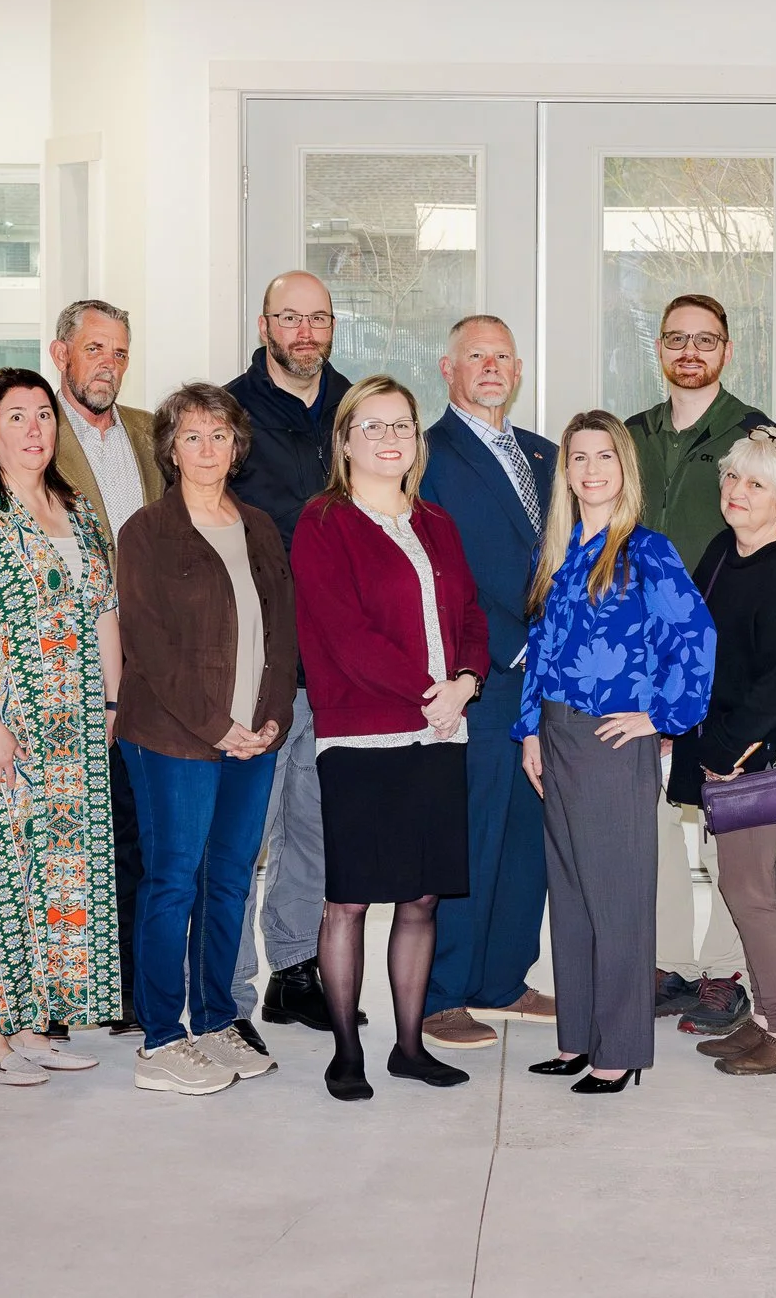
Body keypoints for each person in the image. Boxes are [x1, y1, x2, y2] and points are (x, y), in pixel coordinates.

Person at [0, 368, 123, 1086]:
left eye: (43, 415)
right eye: (17, 417)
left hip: (73, 730)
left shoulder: (79, 513)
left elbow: (104, 615)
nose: (35, 428)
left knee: (57, 877)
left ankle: (35, 1024)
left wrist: (112, 707)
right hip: (0, 721)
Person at [289, 375, 491, 1101]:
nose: (387, 438)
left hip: (441, 733)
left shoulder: (436, 522)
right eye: (369, 426)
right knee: (350, 899)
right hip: (363, 736)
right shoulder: (324, 522)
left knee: (423, 898)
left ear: (417, 438)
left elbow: (470, 614)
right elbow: (344, 636)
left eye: (400, 425)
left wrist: (465, 681)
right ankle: (347, 1052)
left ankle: (409, 1046)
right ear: (344, 442)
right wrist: (426, 694)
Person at [520, 413, 717, 1093]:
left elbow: (697, 636)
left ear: (624, 469)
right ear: (567, 471)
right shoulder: (561, 549)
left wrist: (661, 714)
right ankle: (579, 1037)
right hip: (556, 733)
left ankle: (622, 1048)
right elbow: (539, 649)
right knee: (570, 897)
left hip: (610, 742)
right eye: (580, 457)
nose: (592, 468)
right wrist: (527, 734)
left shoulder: (646, 549)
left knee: (617, 898)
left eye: (606, 456)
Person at [114, 383, 298, 1096]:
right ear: (169, 448)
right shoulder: (145, 532)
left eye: (219, 435)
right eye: (191, 436)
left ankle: (218, 1019)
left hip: (256, 738)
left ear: (237, 445)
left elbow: (282, 634)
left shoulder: (256, 525)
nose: (207, 449)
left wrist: (271, 718)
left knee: (228, 883)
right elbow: (150, 649)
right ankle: (161, 1039)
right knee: (172, 882)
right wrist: (219, 726)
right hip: (174, 738)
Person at [625, 293, 768, 1036]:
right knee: (650, 817)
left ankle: (724, 972)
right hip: (639, 661)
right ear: (659, 347)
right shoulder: (631, 435)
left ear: (726, 350)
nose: (690, 351)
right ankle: (671, 962)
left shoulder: (756, 436)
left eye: (704, 340)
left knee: (726, 822)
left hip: (724, 658)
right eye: (676, 339)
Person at [416, 316, 559, 1051]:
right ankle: (443, 993)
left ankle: (502, 979)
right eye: (477, 356)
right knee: (468, 838)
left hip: (548, 679)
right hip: (483, 672)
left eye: (503, 355)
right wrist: (505, 648)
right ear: (448, 368)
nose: (492, 367)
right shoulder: (429, 455)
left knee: (527, 835)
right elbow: (441, 570)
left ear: (520, 367)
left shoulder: (546, 453)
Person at [675, 429, 776, 1077]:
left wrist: (728, 752)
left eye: (756, 483)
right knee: (738, 884)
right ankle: (764, 1019)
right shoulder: (722, 549)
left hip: (756, 758)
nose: (736, 492)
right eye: (733, 477)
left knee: (749, 889)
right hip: (720, 746)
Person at [226, 271, 353, 1035]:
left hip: (338, 671)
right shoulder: (229, 415)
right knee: (242, 839)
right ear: (265, 323)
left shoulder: (358, 410)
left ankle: (297, 971)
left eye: (318, 319)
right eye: (289, 318)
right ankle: (230, 993)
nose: (304, 333)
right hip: (259, 668)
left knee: (316, 830)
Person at [48, 298, 163, 1034]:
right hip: (61, 660)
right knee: (61, 830)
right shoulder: (33, 429)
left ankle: (119, 988)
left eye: (119, 352)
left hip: (147, 661)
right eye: (95, 350)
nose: (108, 366)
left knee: (130, 827)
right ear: (61, 353)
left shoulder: (152, 432)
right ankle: (53, 993)